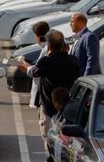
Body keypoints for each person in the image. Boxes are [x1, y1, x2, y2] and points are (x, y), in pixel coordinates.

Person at [19, 30, 80, 158]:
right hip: (68, 110)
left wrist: (25, 66)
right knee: (67, 143)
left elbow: (33, 72)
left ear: (49, 46)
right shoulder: (73, 61)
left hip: (48, 108)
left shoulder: (46, 61)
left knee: (48, 140)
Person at [26, 21, 50, 109]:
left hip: (42, 93)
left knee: (43, 120)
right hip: (44, 93)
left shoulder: (46, 49)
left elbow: (38, 70)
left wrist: (26, 67)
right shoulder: (46, 47)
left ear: (36, 36)